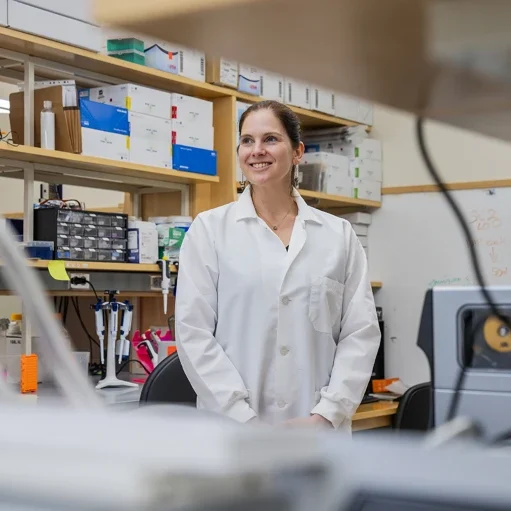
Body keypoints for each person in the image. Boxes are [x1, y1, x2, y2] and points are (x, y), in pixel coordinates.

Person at [175, 100, 381, 432]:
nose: (257, 150)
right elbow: (193, 333)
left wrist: (327, 415)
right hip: (233, 430)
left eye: (270, 139)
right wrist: (241, 417)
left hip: (317, 429)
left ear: (297, 151)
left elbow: (360, 332)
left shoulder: (337, 235)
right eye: (247, 140)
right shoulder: (210, 230)